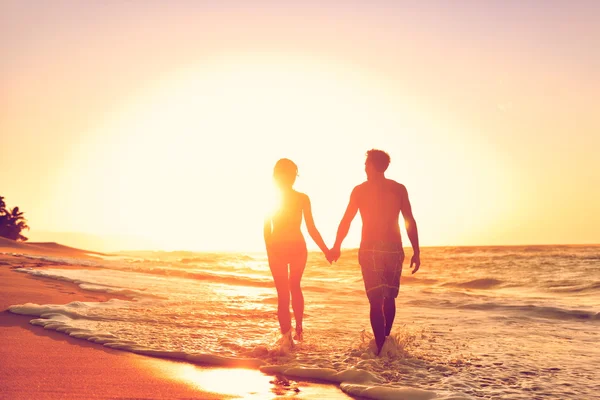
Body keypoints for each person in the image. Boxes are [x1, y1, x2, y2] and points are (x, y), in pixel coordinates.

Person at [330, 149, 420, 356]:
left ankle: (380, 349)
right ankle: (386, 344)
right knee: (389, 298)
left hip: (370, 247)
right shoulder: (398, 189)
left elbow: (347, 220)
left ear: (370, 165)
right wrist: (416, 251)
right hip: (394, 248)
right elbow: (409, 221)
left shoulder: (360, 190)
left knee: (375, 300)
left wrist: (336, 246)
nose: (364, 167)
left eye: (366, 164)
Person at [264, 158, 331, 349]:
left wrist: (326, 249)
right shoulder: (291, 198)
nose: (291, 178)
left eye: (293, 175)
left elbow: (311, 228)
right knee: (289, 291)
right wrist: (270, 249)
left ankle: (294, 335)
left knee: (289, 291)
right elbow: (266, 228)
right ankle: (291, 336)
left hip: (290, 247)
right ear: (279, 176)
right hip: (285, 248)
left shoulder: (295, 198)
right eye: (289, 174)